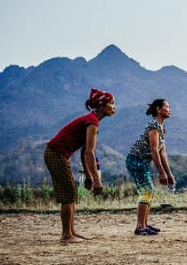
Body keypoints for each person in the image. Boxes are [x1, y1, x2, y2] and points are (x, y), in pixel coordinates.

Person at [44, 88, 116, 243]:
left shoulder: (92, 121)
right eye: (111, 103)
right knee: (68, 193)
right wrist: (97, 180)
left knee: (71, 193)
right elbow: (90, 153)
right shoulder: (92, 122)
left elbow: (84, 153)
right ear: (102, 106)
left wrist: (89, 176)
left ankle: (71, 231)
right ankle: (66, 235)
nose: (114, 106)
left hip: (58, 154)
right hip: (56, 154)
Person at [126, 99, 175, 236]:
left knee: (149, 191)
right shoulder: (154, 125)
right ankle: (140, 226)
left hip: (143, 162)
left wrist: (168, 173)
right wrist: (161, 172)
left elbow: (162, 152)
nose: (170, 109)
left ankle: (144, 224)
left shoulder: (162, 127)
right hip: (136, 160)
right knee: (146, 190)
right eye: (167, 107)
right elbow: (154, 150)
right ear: (159, 110)